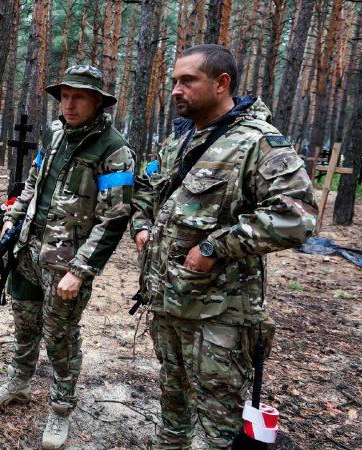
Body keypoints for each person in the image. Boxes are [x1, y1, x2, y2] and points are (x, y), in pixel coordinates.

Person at [130, 44, 318, 449]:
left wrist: (215, 248)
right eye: (174, 82)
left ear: (221, 83)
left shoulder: (257, 143)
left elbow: (297, 218)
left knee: (217, 418)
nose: (176, 90)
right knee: (172, 400)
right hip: (168, 299)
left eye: (188, 81)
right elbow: (147, 187)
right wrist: (141, 224)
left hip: (219, 315)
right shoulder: (178, 140)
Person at [0, 65, 135, 450]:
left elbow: (114, 218)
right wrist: (13, 219)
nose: (69, 103)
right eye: (65, 95)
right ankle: (18, 382)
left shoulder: (114, 149)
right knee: (25, 323)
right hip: (28, 250)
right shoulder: (53, 133)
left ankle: (62, 408)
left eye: (79, 96)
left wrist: (81, 272)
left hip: (66, 263)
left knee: (61, 337)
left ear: (97, 101)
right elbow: (33, 181)